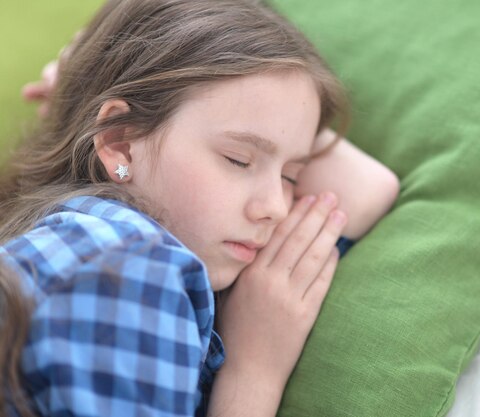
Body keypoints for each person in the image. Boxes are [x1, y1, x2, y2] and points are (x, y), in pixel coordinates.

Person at [0, 1, 399, 416]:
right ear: (120, 140)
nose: (277, 207)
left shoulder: (94, 249)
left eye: (291, 176)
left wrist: (86, 76)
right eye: (238, 159)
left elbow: (369, 189)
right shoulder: (127, 264)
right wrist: (255, 370)